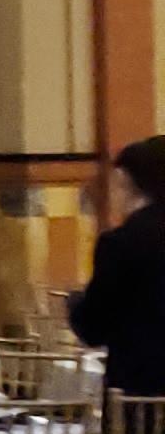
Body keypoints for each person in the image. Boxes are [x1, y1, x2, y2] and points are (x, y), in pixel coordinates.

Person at [72, 135, 165, 396]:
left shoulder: (120, 243)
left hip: (140, 393)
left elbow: (94, 328)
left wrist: (75, 303)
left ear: (126, 181)